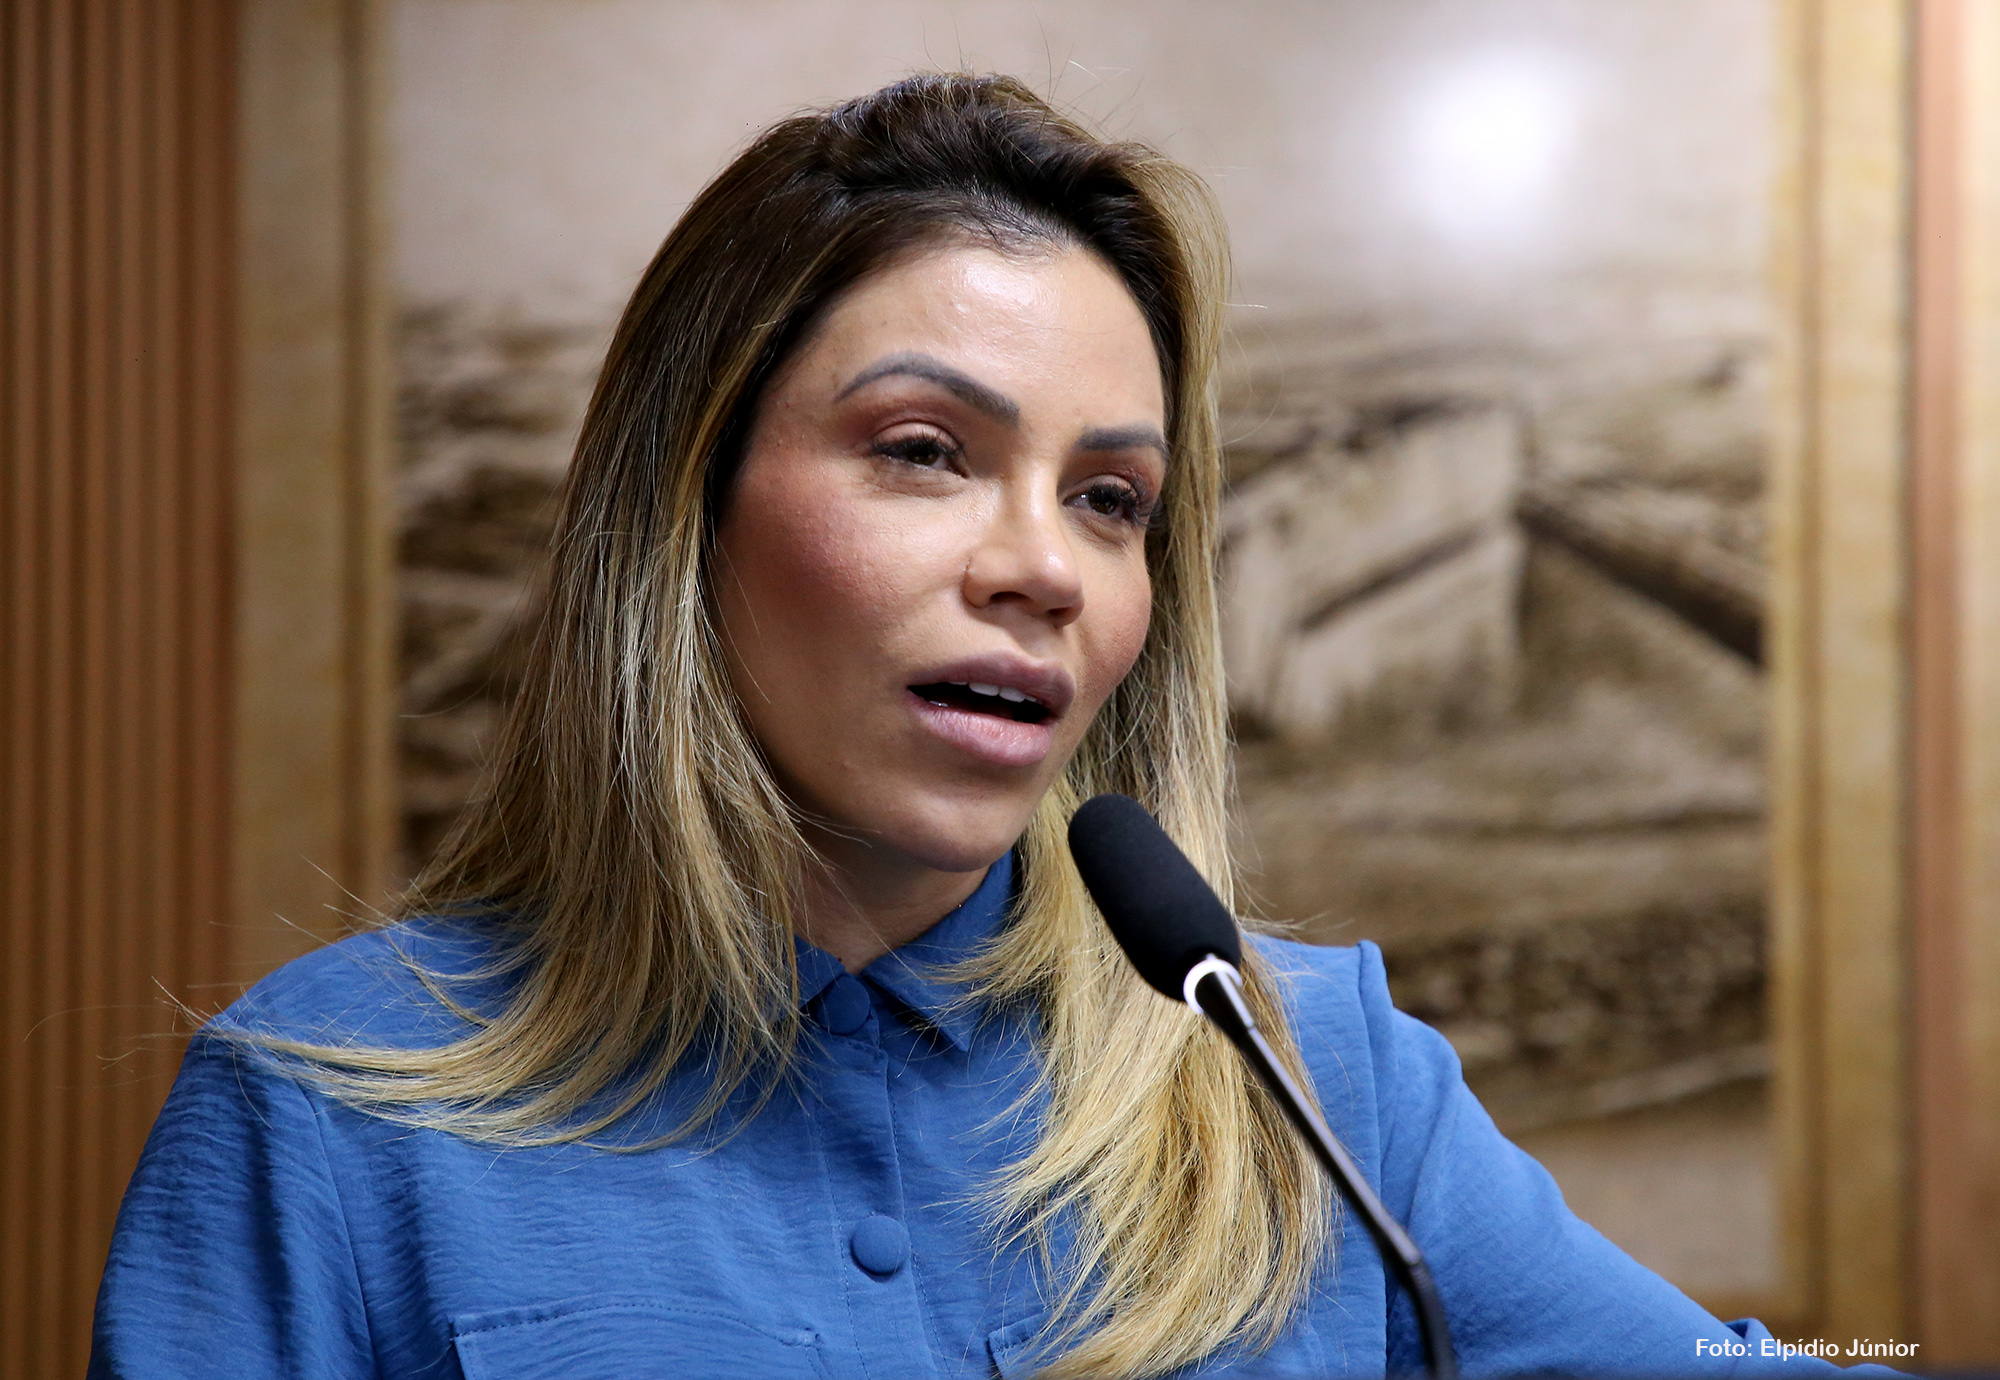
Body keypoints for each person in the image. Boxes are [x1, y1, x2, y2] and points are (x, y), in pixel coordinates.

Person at [90, 75, 1896, 1379]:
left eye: (1111, 499)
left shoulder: (1318, 1078)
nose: (1044, 567)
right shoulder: (316, 1119)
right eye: (925, 452)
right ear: (685, 508)